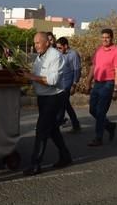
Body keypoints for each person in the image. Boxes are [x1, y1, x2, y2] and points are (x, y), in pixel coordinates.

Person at [21, 32, 72, 175]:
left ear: (47, 42)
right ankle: (65, 155)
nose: (35, 46)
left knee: (41, 129)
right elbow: (36, 76)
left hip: (54, 97)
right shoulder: (39, 57)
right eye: (34, 43)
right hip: (43, 97)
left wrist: (31, 76)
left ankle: (35, 164)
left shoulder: (55, 56)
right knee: (52, 130)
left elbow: (52, 81)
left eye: (38, 43)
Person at [86, 28, 117, 147]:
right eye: (103, 37)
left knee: (101, 111)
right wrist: (88, 82)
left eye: (107, 37)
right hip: (97, 83)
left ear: (111, 38)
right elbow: (93, 67)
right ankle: (109, 125)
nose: (104, 40)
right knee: (92, 110)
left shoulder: (116, 51)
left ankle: (98, 137)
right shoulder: (99, 50)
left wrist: (116, 89)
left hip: (108, 83)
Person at [56, 36, 81, 133]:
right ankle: (76, 124)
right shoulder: (59, 54)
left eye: (60, 48)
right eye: (57, 48)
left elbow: (77, 70)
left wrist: (74, 85)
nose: (58, 50)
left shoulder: (73, 54)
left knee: (61, 105)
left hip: (68, 83)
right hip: (60, 83)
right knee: (66, 105)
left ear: (66, 46)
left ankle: (55, 128)